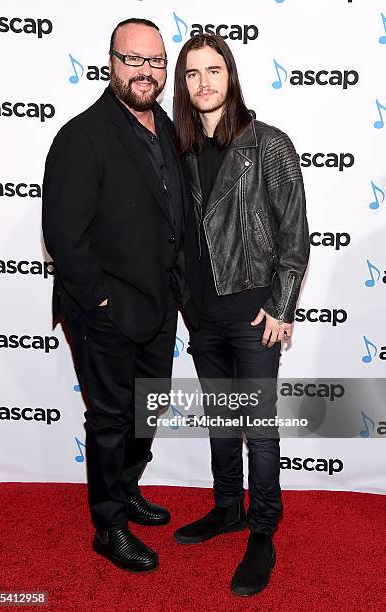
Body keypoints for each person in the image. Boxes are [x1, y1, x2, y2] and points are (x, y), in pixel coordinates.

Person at [42, 18, 194, 573]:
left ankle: (128, 490)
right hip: (106, 312)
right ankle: (108, 527)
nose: (146, 72)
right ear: (111, 63)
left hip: (160, 305)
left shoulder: (170, 130)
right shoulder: (82, 136)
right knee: (109, 419)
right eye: (134, 60)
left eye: (155, 61)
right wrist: (99, 303)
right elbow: (63, 233)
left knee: (145, 412)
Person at [172, 34, 310, 596]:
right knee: (223, 421)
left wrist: (281, 307)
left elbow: (294, 235)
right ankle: (227, 507)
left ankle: (262, 527)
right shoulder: (176, 151)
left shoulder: (269, 145)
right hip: (202, 315)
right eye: (191, 73)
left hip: (254, 315)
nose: (203, 82)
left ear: (230, 76)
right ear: (182, 84)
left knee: (258, 427)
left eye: (213, 70)